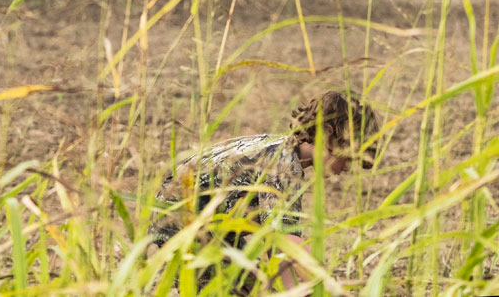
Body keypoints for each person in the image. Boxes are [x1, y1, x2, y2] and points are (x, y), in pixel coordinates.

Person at [148, 90, 382, 293]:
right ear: (326, 132)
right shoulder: (283, 165)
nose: (347, 166)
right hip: (182, 226)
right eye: (347, 156)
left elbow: (279, 245)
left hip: (211, 229)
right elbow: (285, 244)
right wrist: (325, 288)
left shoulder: (281, 151)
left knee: (251, 287)